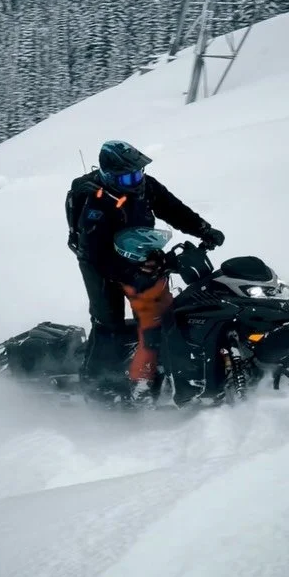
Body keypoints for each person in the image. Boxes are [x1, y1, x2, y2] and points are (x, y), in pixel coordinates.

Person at [65, 140, 225, 402]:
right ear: (109, 176)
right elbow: (96, 254)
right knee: (109, 323)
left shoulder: (144, 185)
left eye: (138, 173)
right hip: (99, 263)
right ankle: (98, 384)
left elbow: (173, 208)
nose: (136, 180)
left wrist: (203, 229)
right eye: (128, 176)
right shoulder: (96, 204)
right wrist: (128, 272)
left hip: (139, 250)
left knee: (160, 314)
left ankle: (155, 364)